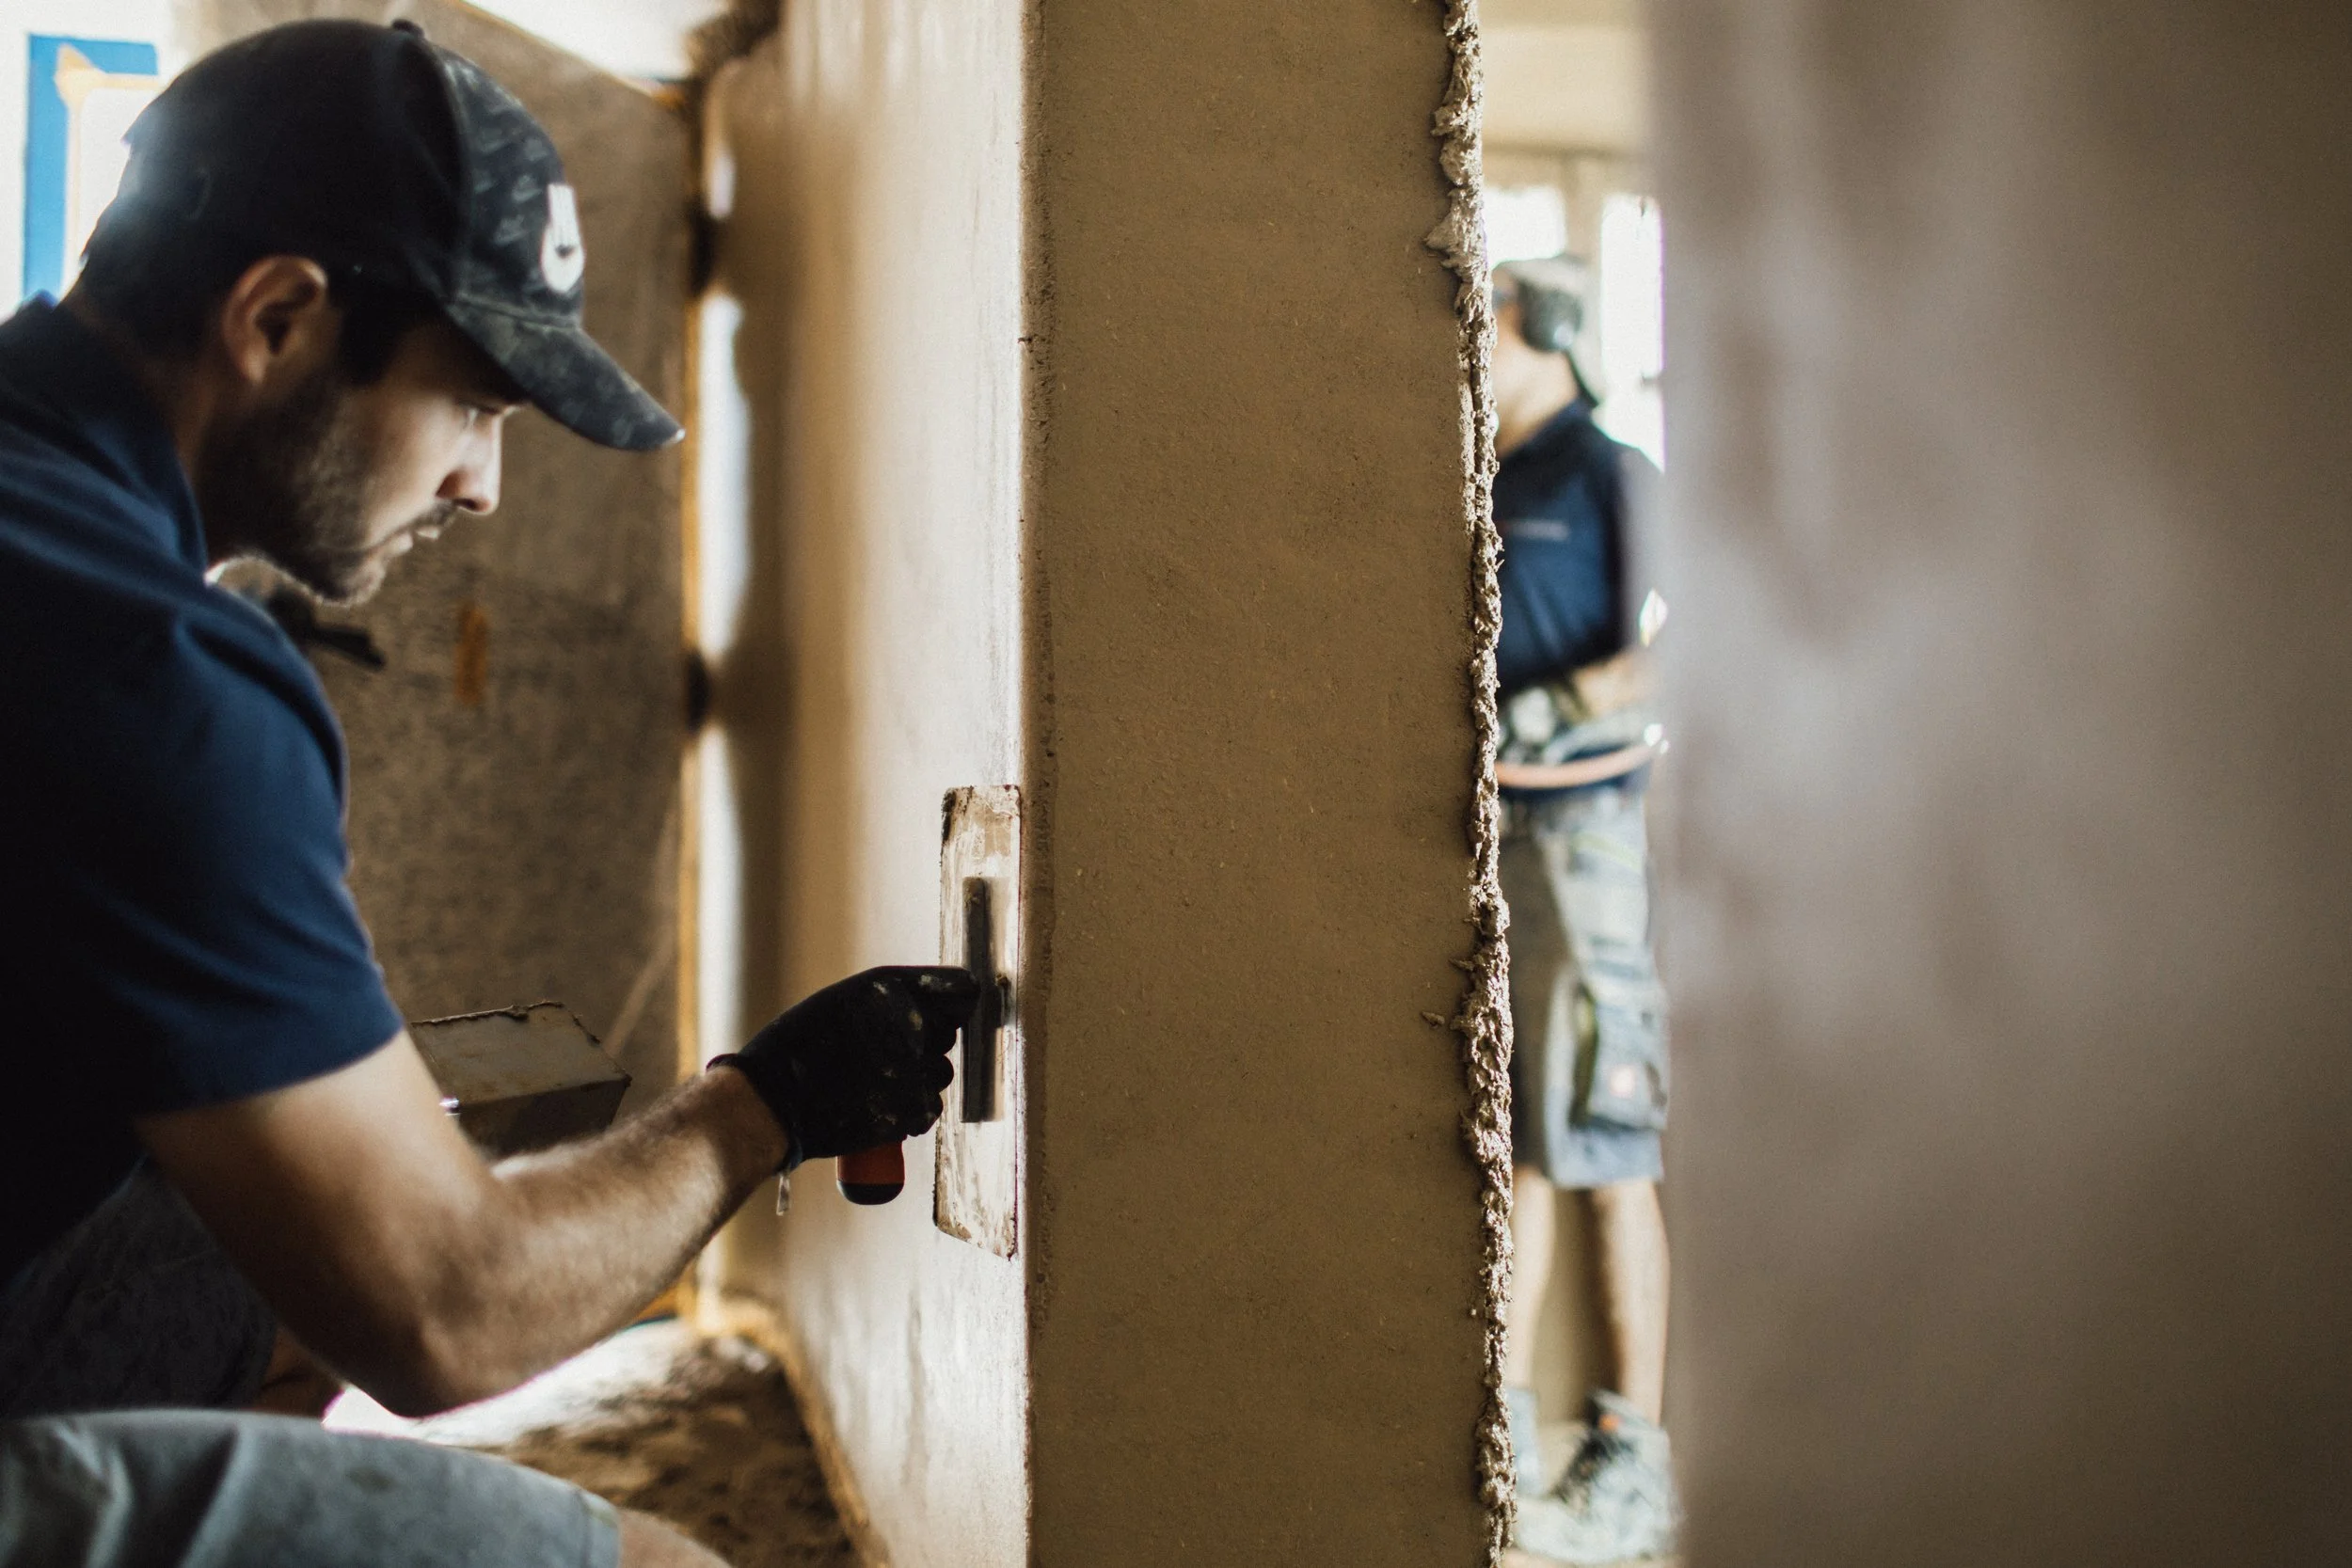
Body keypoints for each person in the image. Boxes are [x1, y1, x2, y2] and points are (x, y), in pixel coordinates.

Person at [0, 23, 972, 1568]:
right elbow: (444, 1312)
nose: (480, 486)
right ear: (278, 317)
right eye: (473, 405)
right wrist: (771, 1102)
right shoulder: (152, 668)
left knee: (254, 1263)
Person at [1486, 257, 1679, 1563]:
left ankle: (1631, 1459)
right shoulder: (1485, 473)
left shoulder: (1609, 473)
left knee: (1604, 1136)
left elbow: (1705, 624)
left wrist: (1576, 704)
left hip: (1582, 837)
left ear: (1547, 331)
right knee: (1517, 1145)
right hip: (1488, 834)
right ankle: (1502, 1441)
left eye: (1491, 321)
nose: (1474, 340)